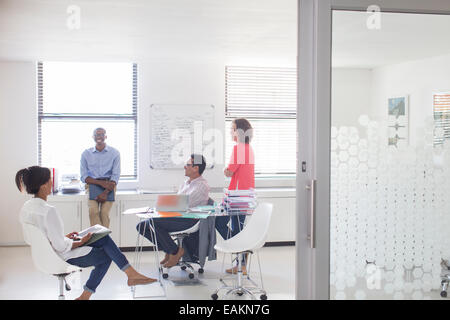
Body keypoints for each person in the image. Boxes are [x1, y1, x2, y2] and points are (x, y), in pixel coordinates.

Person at [16, 166, 156, 300]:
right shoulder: (49, 210)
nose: (52, 182)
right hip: (60, 258)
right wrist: (80, 242)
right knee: (106, 255)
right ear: (43, 185)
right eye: (49, 180)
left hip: (42, 257)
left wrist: (65, 238)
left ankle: (129, 275)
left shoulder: (27, 207)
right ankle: (122, 278)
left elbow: (38, 239)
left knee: (103, 237)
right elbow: (60, 247)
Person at [136, 154, 210, 269]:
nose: (185, 167)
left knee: (153, 222)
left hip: (190, 220)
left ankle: (175, 252)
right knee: (141, 226)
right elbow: (177, 203)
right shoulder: (186, 183)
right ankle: (170, 249)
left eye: (188, 165)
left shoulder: (201, 186)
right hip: (179, 216)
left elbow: (183, 205)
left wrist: (163, 209)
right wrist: (159, 209)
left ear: (196, 168)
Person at [215, 118, 255, 275]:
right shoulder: (248, 148)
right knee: (229, 225)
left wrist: (226, 170)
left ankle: (242, 261)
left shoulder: (239, 148)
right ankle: (241, 255)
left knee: (233, 227)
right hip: (241, 194)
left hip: (238, 195)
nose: (231, 132)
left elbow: (229, 171)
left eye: (232, 129)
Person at [80, 127, 120, 228]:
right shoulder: (86, 154)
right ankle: (98, 240)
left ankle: (104, 240)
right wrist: (101, 183)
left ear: (105, 136)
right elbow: (84, 177)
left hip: (109, 186)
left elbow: (115, 176)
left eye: (102, 134)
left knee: (104, 213)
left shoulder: (114, 153)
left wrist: (105, 192)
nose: (99, 137)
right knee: (93, 212)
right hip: (92, 186)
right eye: (97, 134)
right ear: (93, 137)